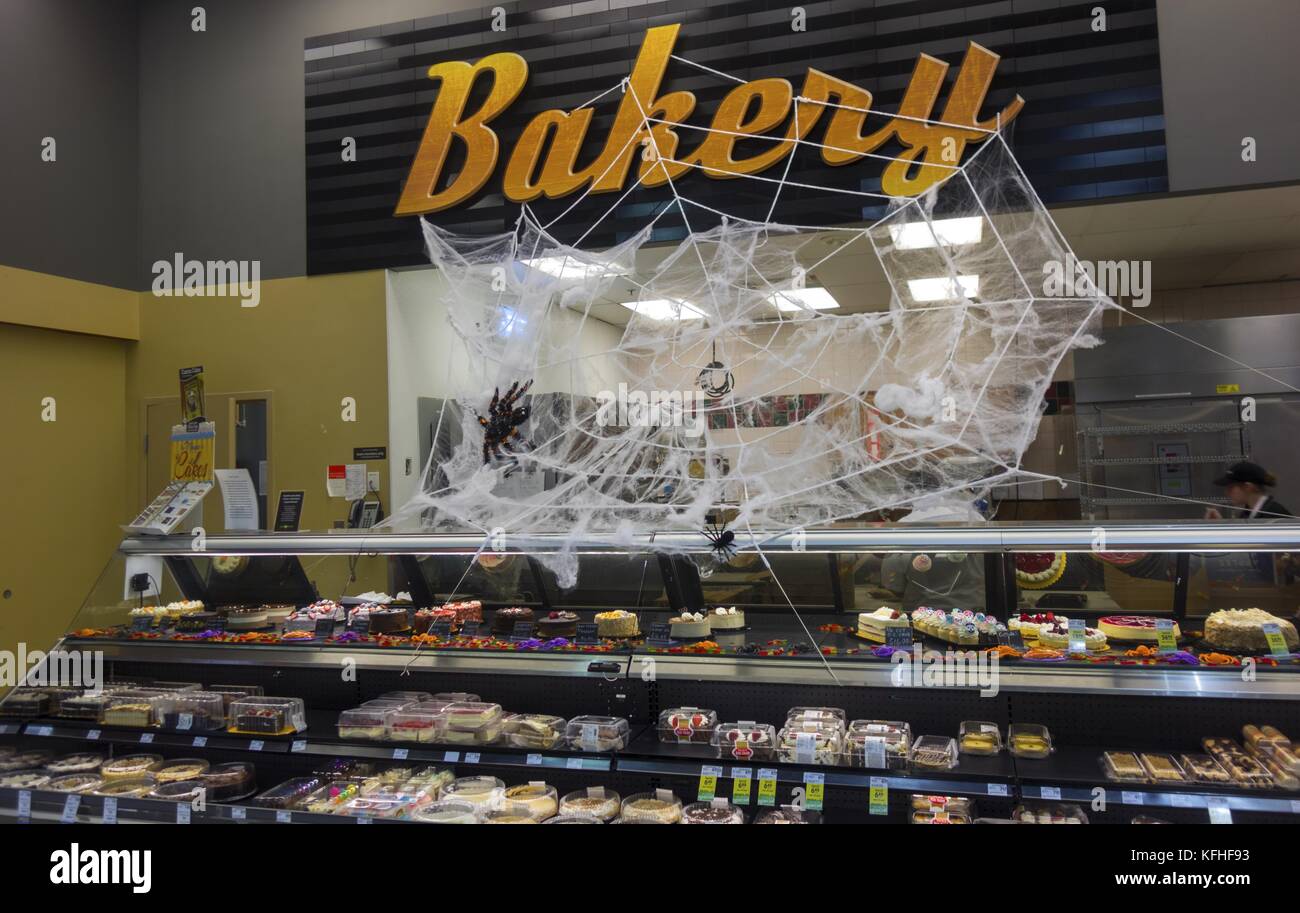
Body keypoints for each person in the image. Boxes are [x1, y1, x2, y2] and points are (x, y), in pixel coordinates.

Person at [1204, 461, 1292, 520]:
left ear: (1248, 487)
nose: (1226, 492)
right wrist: (1221, 525)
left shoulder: (1274, 515)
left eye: (1231, 487)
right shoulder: (1249, 512)